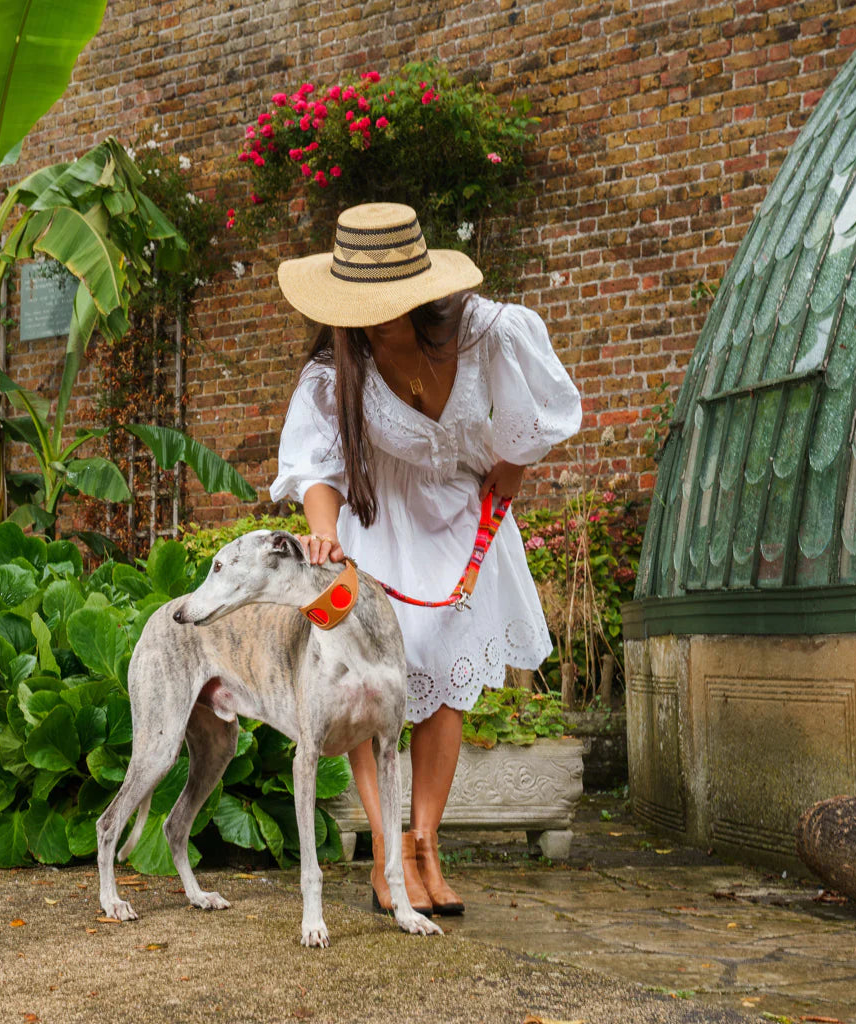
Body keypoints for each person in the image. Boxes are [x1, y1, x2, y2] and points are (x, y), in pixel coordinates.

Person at [269, 202, 582, 916]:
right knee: (377, 684)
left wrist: (505, 488)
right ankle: (385, 858)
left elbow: (529, 427)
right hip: (382, 523)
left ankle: (425, 845)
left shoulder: (487, 332)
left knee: (444, 677)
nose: (374, 316)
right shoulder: (333, 369)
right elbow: (315, 462)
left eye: (387, 301)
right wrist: (325, 533)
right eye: (360, 304)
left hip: (465, 521)